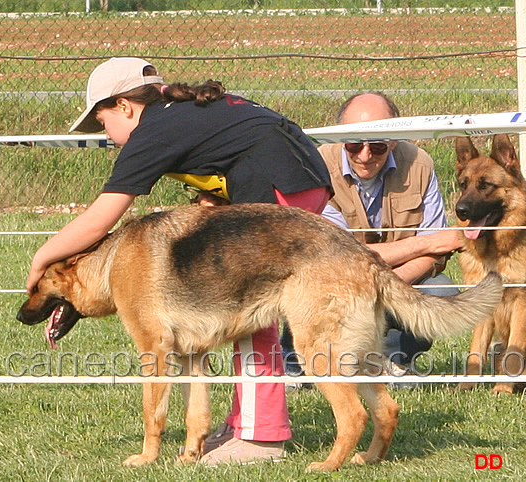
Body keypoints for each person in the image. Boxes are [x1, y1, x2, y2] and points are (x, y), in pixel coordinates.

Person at [26, 57, 333, 465]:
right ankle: (245, 422)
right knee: (247, 309)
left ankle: (261, 436)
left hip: (281, 185)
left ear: (124, 106)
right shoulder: (175, 114)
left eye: (103, 123)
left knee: (250, 311)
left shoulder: (152, 132)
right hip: (299, 178)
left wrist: (43, 258)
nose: (107, 135)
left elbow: (102, 217)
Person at [282, 92, 463, 381]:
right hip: (332, 282)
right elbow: (340, 256)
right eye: (354, 144)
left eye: (377, 146)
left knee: (442, 290)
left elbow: (436, 254)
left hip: (402, 278)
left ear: (394, 140)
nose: (365, 155)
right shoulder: (316, 168)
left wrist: (393, 285)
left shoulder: (421, 165)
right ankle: (296, 366)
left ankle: (392, 360)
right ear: (341, 138)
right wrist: (422, 243)